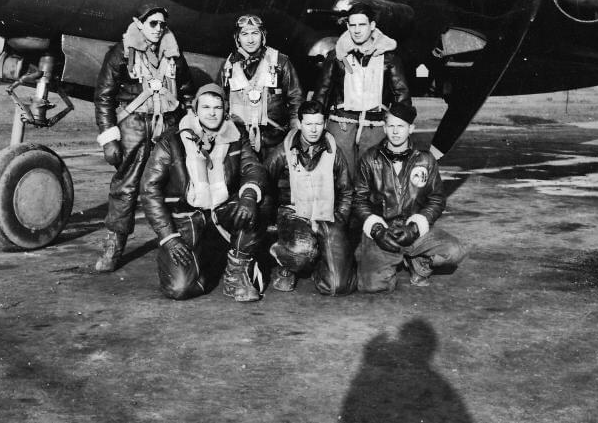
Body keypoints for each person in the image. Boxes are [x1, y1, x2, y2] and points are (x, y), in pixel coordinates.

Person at [139, 84, 269, 302]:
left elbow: (253, 168)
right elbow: (149, 190)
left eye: (217, 107)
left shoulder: (236, 135)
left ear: (224, 110)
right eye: (206, 107)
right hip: (186, 217)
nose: (212, 113)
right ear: (195, 110)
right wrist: (168, 238)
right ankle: (212, 261)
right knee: (179, 288)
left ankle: (236, 268)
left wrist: (248, 196)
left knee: (259, 201)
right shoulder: (171, 141)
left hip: (222, 210)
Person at [93, 4, 194, 272]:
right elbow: (104, 96)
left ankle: (183, 241)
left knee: (177, 184)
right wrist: (109, 138)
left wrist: (190, 129)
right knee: (125, 188)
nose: (158, 29)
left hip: (168, 128)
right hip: (134, 128)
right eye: (153, 24)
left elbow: (186, 91)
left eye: (162, 24)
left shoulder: (173, 54)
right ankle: (113, 247)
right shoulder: (121, 53)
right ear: (139, 23)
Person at [352, 103, 466, 292]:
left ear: (411, 129)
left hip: (412, 230)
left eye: (401, 126)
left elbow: (437, 199)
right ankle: (384, 257)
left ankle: (418, 262)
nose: (396, 132)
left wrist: (416, 226)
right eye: (391, 126)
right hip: (384, 232)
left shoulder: (425, 159)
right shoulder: (370, 158)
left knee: (455, 251)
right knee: (372, 286)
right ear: (384, 127)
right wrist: (377, 229)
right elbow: (359, 199)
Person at [263, 100, 357, 295]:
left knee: (338, 285)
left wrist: (339, 221)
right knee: (303, 250)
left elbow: (347, 191)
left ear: (324, 124)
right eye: (308, 124)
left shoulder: (334, 151)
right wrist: (270, 219)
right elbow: (264, 180)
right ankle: (286, 258)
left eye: (318, 124)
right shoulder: (284, 150)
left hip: (326, 216)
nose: (313, 130)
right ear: (299, 123)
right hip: (294, 213)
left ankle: (318, 264)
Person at [313, 2, 411, 177]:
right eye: (353, 25)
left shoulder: (389, 58)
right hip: (342, 127)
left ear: (372, 26)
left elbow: (401, 94)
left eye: (362, 25)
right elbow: (322, 93)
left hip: (375, 128)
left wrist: (402, 126)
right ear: (348, 26)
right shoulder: (337, 57)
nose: (357, 30)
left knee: (373, 180)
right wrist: (313, 123)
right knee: (341, 179)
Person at [218, 14, 304, 157]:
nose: (250, 40)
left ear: (263, 35)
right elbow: (220, 99)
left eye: (255, 33)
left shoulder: (280, 62)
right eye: (244, 34)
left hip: (275, 139)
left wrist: (295, 136)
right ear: (237, 38)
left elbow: (296, 99)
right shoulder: (229, 66)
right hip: (239, 139)